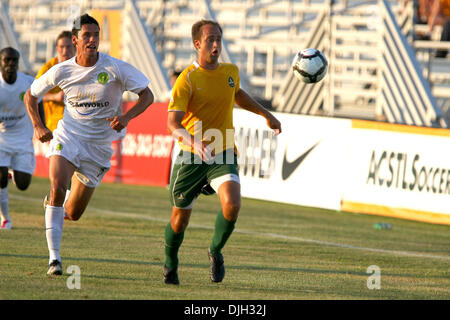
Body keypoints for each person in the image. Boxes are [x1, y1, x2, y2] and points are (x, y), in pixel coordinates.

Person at [24, 14, 154, 275]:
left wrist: (126, 117)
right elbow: (30, 94)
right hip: (68, 138)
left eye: (96, 35)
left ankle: (58, 206)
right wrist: (38, 125)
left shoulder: (115, 68)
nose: (93, 40)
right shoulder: (62, 70)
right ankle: (54, 259)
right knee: (57, 185)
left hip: (98, 148)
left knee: (73, 212)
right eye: (87, 35)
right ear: (75, 40)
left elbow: (147, 95)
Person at [163, 19, 282, 285]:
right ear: (197, 44)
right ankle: (171, 263)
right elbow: (172, 123)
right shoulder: (187, 79)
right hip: (191, 157)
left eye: (219, 39)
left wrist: (265, 114)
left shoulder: (230, 72)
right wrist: (193, 142)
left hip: (223, 151)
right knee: (179, 219)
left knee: (233, 204)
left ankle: (215, 251)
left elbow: (237, 93)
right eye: (210, 40)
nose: (216, 45)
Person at [0, 47, 45, 230]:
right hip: (2, 137)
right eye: (7, 60)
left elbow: (38, 101)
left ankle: (11, 174)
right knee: (0, 178)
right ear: (1, 62)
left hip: (22, 137)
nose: (11, 64)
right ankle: (5, 219)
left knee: (23, 184)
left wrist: (40, 126)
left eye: (14, 61)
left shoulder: (28, 83)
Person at [36, 31, 75, 132]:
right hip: (54, 126)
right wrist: (55, 97)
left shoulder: (82, 68)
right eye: (62, 47)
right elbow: (33, 95)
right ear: (57, 48)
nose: (65, 51)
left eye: (68, 47)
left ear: (75, 47)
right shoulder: (47, 69)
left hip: (76, 126)